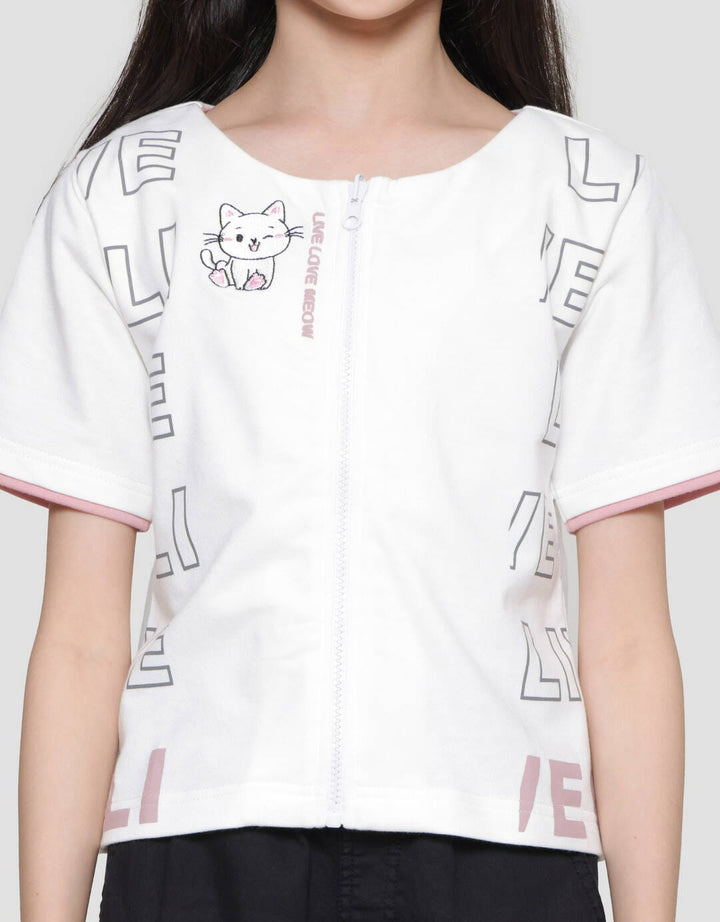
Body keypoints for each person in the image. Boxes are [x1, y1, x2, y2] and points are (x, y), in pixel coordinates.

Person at [2, 1, 719, 920]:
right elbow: (80, 639)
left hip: (503, 852)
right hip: (200, 844)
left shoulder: (591, 198)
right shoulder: (124, 196)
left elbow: (627, 643)